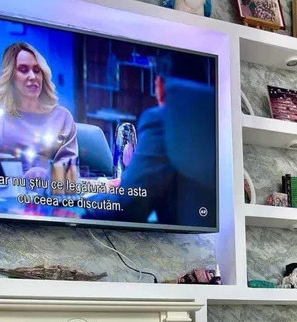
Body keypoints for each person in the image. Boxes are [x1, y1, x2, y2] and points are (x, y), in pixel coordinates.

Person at [84, 50, 216, 227]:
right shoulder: (217, 122)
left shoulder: (163, 120)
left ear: (159, 86)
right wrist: (129, 183)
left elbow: (128, 206)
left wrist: (86, 199)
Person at [0, 42, 78, 185]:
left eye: (37, 70)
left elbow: (69, 176)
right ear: (10, 76)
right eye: (23, 70)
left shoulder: (62, 118)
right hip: (2, 192)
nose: (33, 76)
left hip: (47, 195)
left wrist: (41, 178)